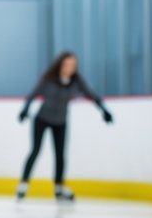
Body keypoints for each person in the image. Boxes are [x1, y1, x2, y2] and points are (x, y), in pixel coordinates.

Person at [16, 51, 113, 202]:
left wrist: (103, 110)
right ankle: (23, 184)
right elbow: (33, 94)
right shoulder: (49, 79)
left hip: (60, 121)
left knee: (60, 155)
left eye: (73, 65)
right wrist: (25, 109)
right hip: (42, 119)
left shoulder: (76, 81)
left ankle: (59, 188)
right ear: (60, 64)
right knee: (35, 150)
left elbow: (91, 94)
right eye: (67, 64)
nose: (70, 67)